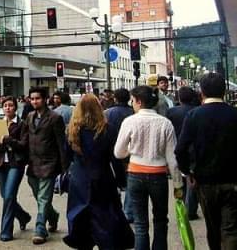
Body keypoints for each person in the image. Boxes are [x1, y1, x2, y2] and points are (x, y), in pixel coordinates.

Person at [175, 73, 237, 250]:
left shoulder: (193, 115)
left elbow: (180, 149)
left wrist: (188, 172)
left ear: (202, 92)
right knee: (231, 230)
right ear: (224, 91)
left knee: (213, 228)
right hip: (236, 180)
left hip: (205, 181)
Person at [114, 85, 182, 250]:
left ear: (138, 101)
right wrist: (178, 184)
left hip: (135, 174)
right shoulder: (165, 123)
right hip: (158, 175)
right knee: (160, 220)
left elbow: (118, 153)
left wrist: (132, 149)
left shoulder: (129, 121)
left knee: (140, 223)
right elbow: (172, 158)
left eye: (133, 100)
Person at [63, 95, 134, 249]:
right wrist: (121, 180)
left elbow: (66, 157)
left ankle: (82, 242)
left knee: (80, 215)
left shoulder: (72, 130)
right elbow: (115, 158)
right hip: (102, 176)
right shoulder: (107, 129)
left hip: (79, 178)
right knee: (105, 216)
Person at [12, 87, 67, 245]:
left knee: (43, 198)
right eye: (32, 99)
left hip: (49, 164)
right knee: (39, 196)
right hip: (33, 163)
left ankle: (40, 229)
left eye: (37, 98)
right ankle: (53, 216)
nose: (34, 101)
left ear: (44, 99)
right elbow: (25, 140)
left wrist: (64, 168)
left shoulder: (55, 118)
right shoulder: (29, 117)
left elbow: (61, 143)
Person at [0, 96, 31, 242]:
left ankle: (6, 231)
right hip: (1, 164)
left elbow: (24, 145)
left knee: (10, 196)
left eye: (11, 105)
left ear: (15, 108)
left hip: (15, 164)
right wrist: (4, 144)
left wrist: (8, 140)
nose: (8, 108)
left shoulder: (22, 124)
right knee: (5, 196)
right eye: (5, 105)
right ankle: (23, 216)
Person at [166, 86, 200, 220]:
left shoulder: (171, 112)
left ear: (179, 98)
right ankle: (191, 209)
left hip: (176, 148)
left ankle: (180, 204)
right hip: (193, 149)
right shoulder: (196, 111)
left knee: (178, 179)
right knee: (191, 178)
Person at [104, 87, 134, 222]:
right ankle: (128, 211)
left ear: (115, 98)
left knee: (114, 181)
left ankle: (116, 210)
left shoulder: (107, 113)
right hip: (130, 152)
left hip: (111, 151)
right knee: (129, 182)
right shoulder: (133, 113)